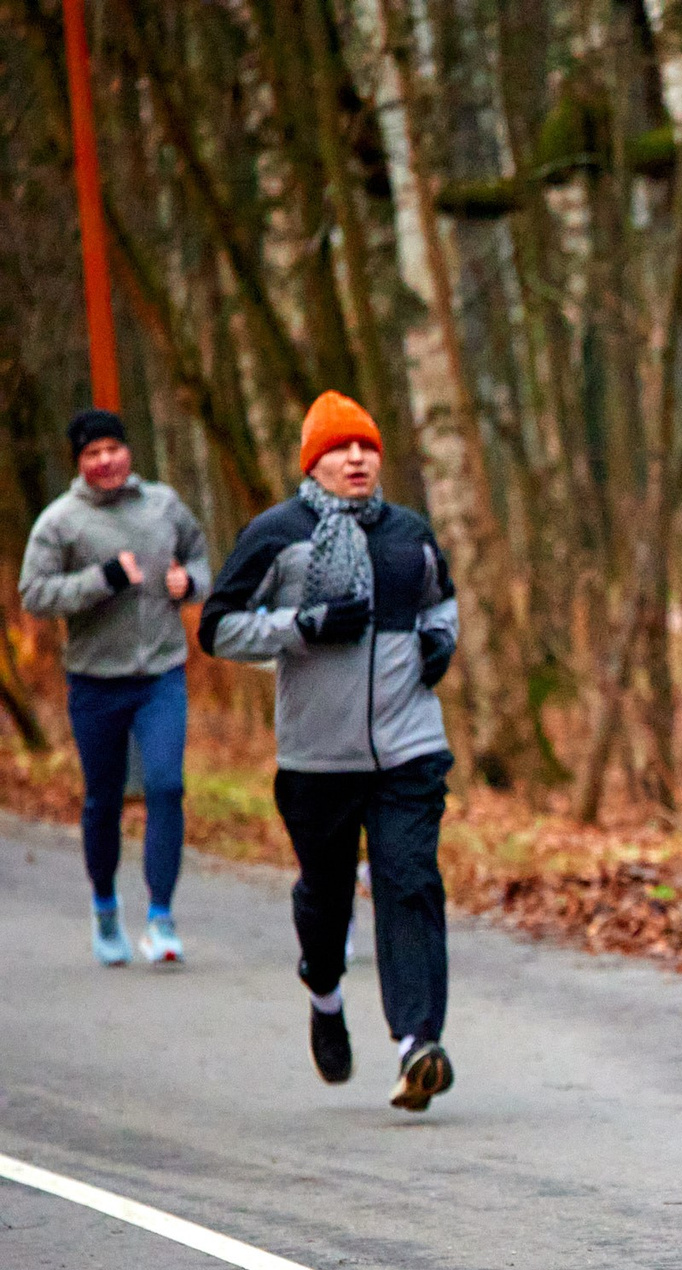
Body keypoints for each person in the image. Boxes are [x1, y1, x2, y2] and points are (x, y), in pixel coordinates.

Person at [202, 392, 461, 1112]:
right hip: (317, 757)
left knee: (409, 883)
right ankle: (324, 990)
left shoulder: (409, 533)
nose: (357, 458)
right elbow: (218, 627)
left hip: (409, 748)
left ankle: (418, 1043)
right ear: (313, 461)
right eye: (341, 449)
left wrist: (441, 638)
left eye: (368, 447)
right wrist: (303, 625)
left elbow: (443, 599)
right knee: (327, 897)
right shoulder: (277, 534)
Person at [19, 408, 211, 967]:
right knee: (103, 800)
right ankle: (105, 904)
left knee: (166, 786)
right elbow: (34, 593)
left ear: (128, 452)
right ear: (79, 463)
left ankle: (161, 918)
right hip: (96, 682)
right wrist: (100, 580)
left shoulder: (164, 505)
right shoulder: (60, 521)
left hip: (161, 675)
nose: (105, 461)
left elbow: (201, 557)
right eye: (91, 453)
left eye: (112, 449)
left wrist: (190, 583)